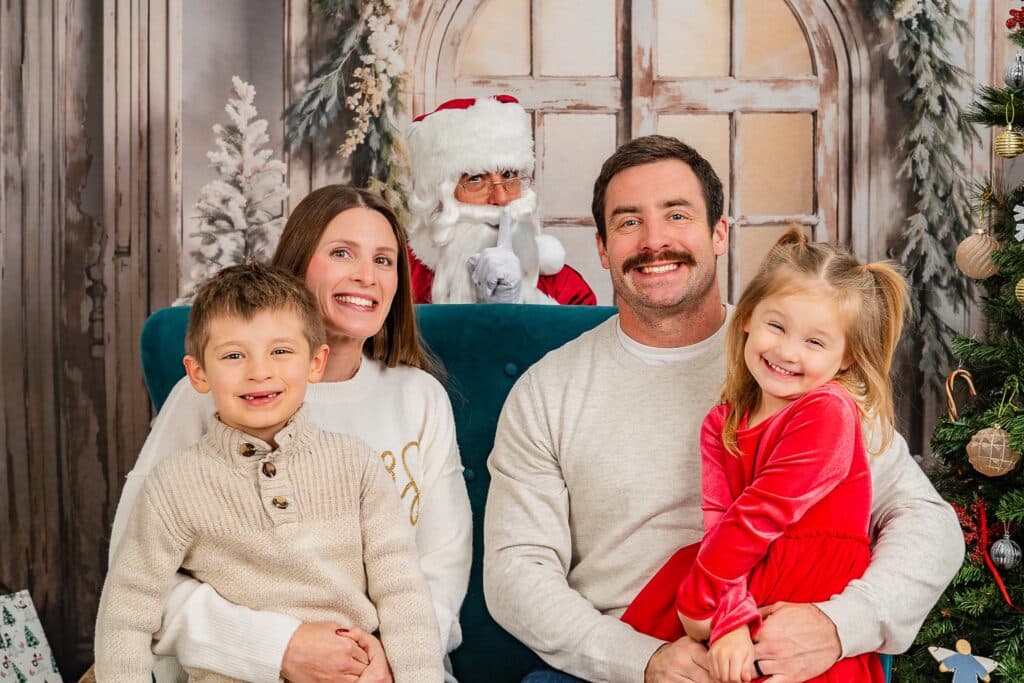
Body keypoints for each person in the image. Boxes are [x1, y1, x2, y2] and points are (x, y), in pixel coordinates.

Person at [482, 135, 964, 683]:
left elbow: (928, 524)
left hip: (783, 653)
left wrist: (839, 624)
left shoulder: (804, 366)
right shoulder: (548, 391)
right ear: (602, 247)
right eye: (629, 222)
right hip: (623, 658)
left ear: (719, 233)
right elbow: (516, 571)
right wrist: (641, 661)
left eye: (677, 215)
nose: (655, 241)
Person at [108, 186, 472, 683]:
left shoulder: (420, 397)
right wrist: (277, 648)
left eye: (384, 260)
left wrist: (387, 663)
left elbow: (441, 564)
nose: (366, 276)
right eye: (342, 253)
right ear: (299, 262)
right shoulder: (216, 394)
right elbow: (132, 574)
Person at [621, 227, 909, 683]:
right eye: (777, 326)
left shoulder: (827, 411)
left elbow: (762, 513)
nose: (787, 351)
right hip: (734, 583)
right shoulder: (721, 423)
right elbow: (721, 525)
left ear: (847, 357)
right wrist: (728, 619)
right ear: (748, 317)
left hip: (804, 597)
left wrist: (703, 602)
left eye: (815, 342)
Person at [405, 94, 595, 305]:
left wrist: (522, 300)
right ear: (438, 197)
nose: (502, 199)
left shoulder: (567, 288)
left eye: (508, 174)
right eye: (475, 179)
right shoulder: (399, 276)